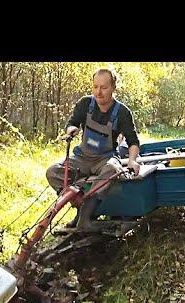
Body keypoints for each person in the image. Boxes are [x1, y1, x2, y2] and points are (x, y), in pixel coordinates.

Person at [45, 67, 141, 231]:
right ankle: (80, 209)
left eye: (104, 87)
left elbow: (133, 142)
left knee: (112, 170)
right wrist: (71, 130)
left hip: (105, 158)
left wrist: (132, 160)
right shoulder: (85, 104)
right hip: (82, 157)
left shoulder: (122, 112)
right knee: (53, 171)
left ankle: (86, 218)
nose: (99, 92)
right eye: (95, 86)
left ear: (113, 88)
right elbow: (72, 123)